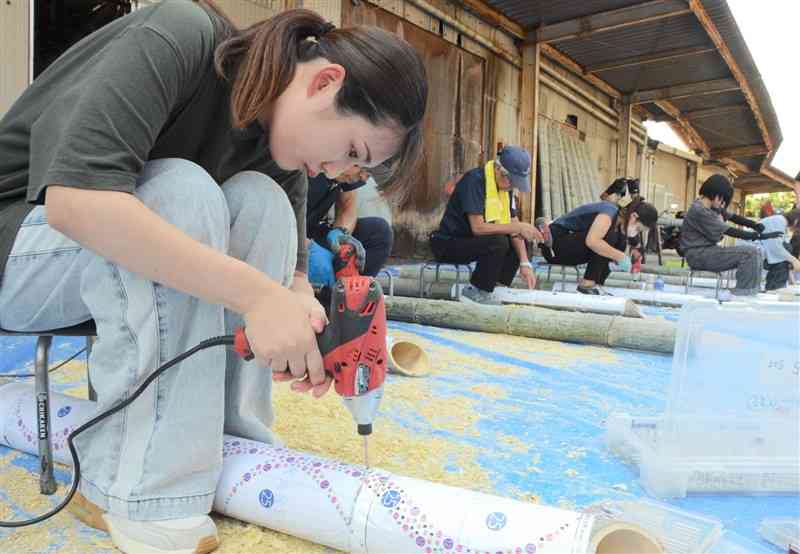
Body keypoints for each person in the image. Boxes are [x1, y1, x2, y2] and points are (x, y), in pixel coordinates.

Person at [0, 1, 427, 552]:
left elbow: (292, 278)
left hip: (91, 266)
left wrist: (304, 328)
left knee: (260, 201)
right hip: (17, 250)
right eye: (351, 150)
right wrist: (256, 296)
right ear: (324, 82)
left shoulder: (278, 141)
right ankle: (136, 489)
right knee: (179, 190)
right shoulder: (178, 37)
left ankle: (231, 457)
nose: (338, 173)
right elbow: (75, 204)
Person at [429, 146, 542, 305]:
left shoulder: (505, 188)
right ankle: (477, 290)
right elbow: (478, 227)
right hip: (449, 243)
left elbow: (514, 223)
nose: (512, 187)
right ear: (498, 169)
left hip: (474, 243)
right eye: (511, 181)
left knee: (518, 240)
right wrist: (516, 227)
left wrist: (524, 262)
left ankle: (498, 287)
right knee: (499, 241)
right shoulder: (474, 180)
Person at [679, 175, 779, 297]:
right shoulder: (700, 210)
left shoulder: (711, 206)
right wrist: (757, 236)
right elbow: (729, 230)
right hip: (697, 255)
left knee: (756, 251)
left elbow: (733, 217)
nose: (722, 204)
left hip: (707, 251)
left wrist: (754, 224)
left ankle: (752, 290)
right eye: (722, 200)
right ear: (716, 195)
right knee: (750, 253)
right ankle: (743, 293)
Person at [540, 198, 658, 295]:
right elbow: (592, 241)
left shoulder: (619, 223)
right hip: (555, 247)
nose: (636, 232)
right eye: (638, 228)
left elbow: (621, 245)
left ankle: (598, 283)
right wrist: (620, 256)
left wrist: (628, 255)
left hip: (570, 247)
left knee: (618, 240)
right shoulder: (609, 212)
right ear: (633, 216)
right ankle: (587, 284)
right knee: (604, 239)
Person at [306, 165, 393, 287]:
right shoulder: (307, 168)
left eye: (368, 175)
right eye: (363, 170)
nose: (363, 178)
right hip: (285, 234)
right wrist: (307, 247)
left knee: (378, 231)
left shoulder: (348, 172)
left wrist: (340, 233)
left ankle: (349, 294)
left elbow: (347, 205)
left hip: (311, 231)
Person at [760, 209, 800, 290]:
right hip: (755, 250)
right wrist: (794, 260)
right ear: (796, 221)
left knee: (787, 248)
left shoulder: (780, 222)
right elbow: (776, 248)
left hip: (765, 251)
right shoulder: (778, 221)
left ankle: (775, 287)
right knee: (785, 251)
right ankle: (775, 289)